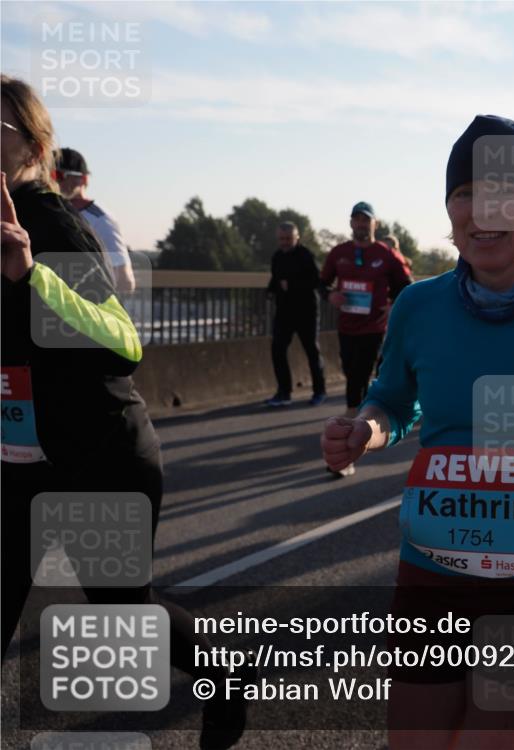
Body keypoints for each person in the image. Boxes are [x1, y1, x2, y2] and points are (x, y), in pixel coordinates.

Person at [321, 115, 514, 749]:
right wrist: (366, 430)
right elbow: (393, 399)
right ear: (449, 209)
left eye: (504, 195)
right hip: (433, 573)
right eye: (466, 195)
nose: (482, 213)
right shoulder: (419, 305)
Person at [1, 74, 252, 750]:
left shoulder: (48, 222)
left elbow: (123, 340)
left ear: (32, 145)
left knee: (123, 611)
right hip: (21, 461)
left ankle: (225, 675)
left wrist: (31, 276)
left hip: (98, 455)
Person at [320, 202, 411, 477]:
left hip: (373, 328)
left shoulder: (385, 254)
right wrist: (330, 296)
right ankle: (352, 431)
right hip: (347, 327)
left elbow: (406, 287)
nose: (361, 224)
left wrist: (392, 305)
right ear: (351, 224)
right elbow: (321, 282)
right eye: (356, 220)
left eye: (366, 220)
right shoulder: (339, 253)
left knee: (357, 380)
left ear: (375, 224)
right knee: (352, 374)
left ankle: (346, 450)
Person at [54, 147, 135, 294]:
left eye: (59, 175)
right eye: (49, 174)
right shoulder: (51, 213)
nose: (53, 180)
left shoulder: (101, 219)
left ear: (83, 179)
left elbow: (124, 280)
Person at [265, 221, 327, 407]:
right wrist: (270, 290)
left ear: (297, 238)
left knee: (311, 351)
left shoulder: (306, 255)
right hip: (284, 311)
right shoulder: (277, 256)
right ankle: (284, 392)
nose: (284, 242)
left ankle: (319, 391)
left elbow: (316, 281)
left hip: (306, 310)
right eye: (281, 239)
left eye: (288, 239)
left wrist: (291, 285)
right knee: (277, 349)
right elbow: (276, 279)